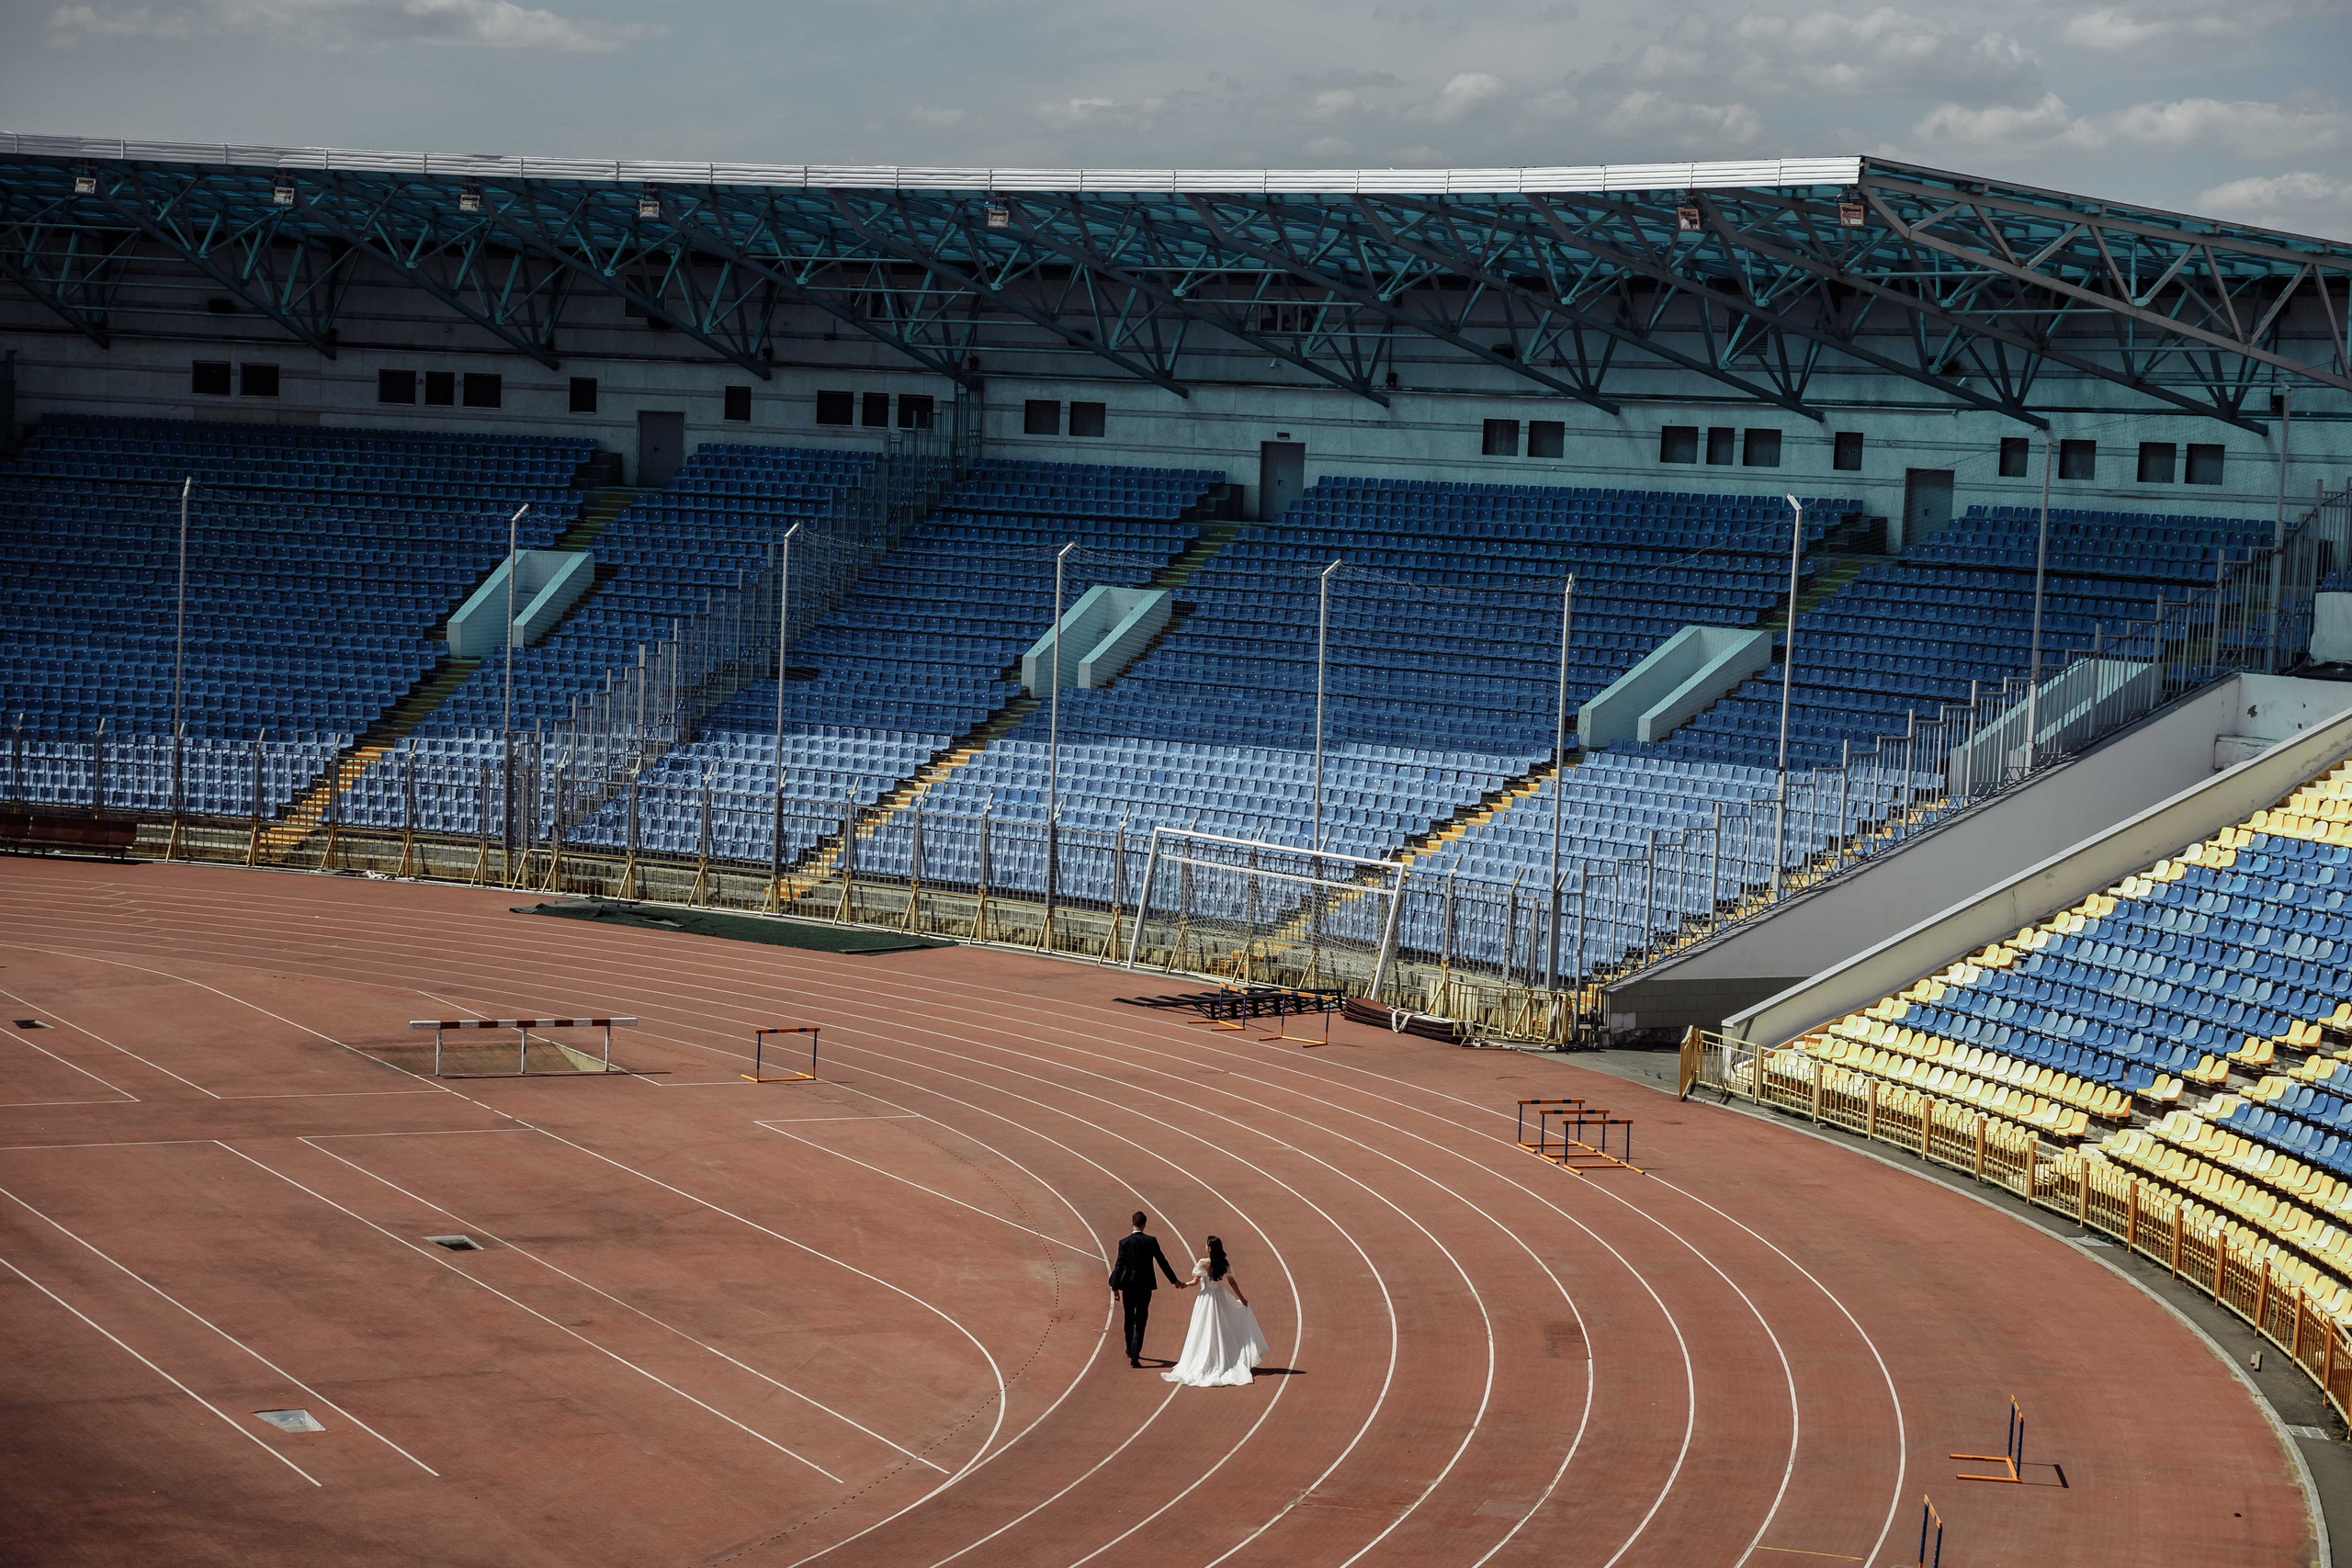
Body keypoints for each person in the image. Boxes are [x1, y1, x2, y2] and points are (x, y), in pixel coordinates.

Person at [1161, 1235, 1268, 1388]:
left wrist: (1184, 1284)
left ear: (1210, 1248)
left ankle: (1205, 1359)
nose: (1205, 1247)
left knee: (1202, 1329)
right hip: (1220, 1298)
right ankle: (1221, 1358)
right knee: (1221, 1329)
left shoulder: (1203, 1263)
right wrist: (1242, 1298)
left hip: (1205, 1299)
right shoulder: (1224, 1264)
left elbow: (1195, 1282)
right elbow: (1232, 1282)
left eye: (1206, 1245)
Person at [1107, 1211, 1189, 1367]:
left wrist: (1115, 1288)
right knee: (1141, 1320)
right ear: (1145, 1225)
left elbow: (1119, 1266)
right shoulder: (1151, 1241)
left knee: (1129, 1318)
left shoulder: (1123, 1243)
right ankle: (1135, 1355)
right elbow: (1162, 1261)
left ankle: (1130, 1349)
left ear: (1132, 1223)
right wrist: (1174, 1281)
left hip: (1128, 1287)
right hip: (1145, 1287)